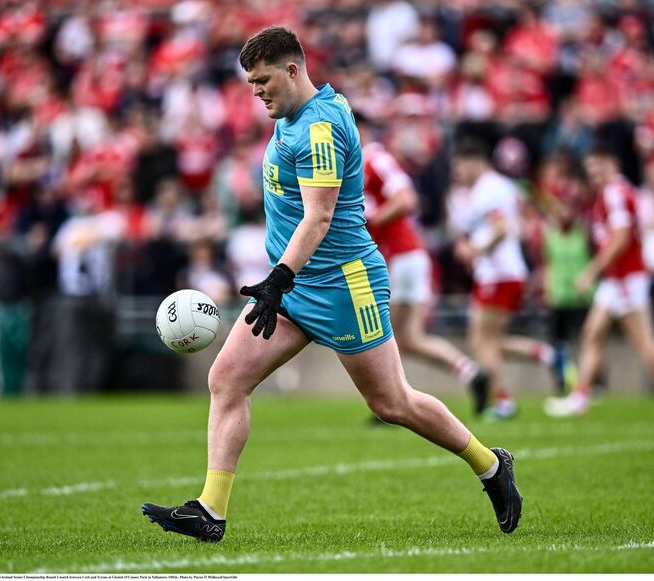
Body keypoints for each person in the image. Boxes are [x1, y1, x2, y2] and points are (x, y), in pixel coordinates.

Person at [142, 26, 521, 543]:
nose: (256, 92)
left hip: (345, 286)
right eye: (250, 83)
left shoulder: (317, 128)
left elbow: (318, 217)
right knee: (226, 380)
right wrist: (283, 280)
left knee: (392, 404)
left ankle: (491, 466)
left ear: (293, 70)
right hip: (295, 286)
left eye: (263, 81)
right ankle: (211, 510)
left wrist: (278, 277)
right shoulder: (298, 111)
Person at [357, 113, 489, 414]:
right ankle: (469, 372)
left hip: (402, 255)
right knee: (409, 338)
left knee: (382, 333)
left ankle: (390, 402)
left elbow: (406, 200)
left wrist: (371, 220)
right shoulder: (365, 162)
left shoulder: (373, 158)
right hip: (406, 256)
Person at [450, 141, 565, 419]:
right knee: (492, 340)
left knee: (481, 341)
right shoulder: (500, 186)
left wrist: (475, 249)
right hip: (504, 272)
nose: (458, 174)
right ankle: (547, 355)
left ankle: (503, 401)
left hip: (498, 273)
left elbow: (501, 228)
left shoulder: (486, 189)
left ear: (473, 161)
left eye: (460, 167)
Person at [545, 146, 654, 416]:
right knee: (592, 334)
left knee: (642, 342)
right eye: (591, 169)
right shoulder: (615, 191)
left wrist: (591, 271)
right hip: (617, 279)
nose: (595, 174)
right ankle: (581, 397)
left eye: (600, 167)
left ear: (613, 163)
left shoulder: (615, 192)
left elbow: (620, 238)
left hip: (626, 278)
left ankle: (580, 396)